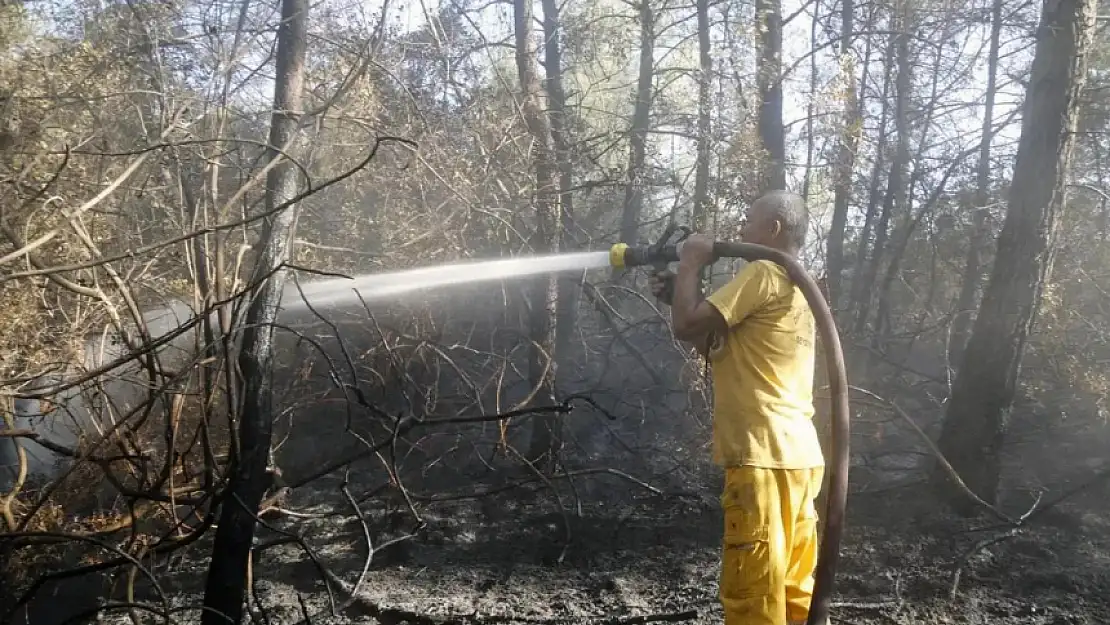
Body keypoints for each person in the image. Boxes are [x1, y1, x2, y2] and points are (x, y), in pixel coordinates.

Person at [649, 190, 825, 625]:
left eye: (748, 222)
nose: (741, 231)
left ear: (773, 230)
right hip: (800, 459)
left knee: (752, 595)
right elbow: (715, 344)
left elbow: (685, 325)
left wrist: (690, 263)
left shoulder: (764, 272)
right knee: (793, 590)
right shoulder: (800, 288)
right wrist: (679, 292)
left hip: (761, 457)